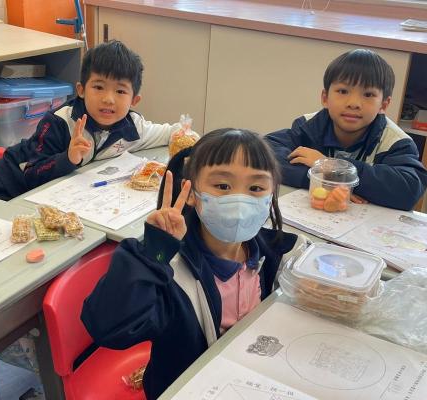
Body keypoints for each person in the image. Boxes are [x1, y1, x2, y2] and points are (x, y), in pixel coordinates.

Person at [81, 129, 307, 399]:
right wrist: (152, 255)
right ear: (191, 192)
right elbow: (110, 329)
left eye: (256, 188)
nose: (240, 201)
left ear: (271, 195)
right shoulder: (171, 271)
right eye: (222, 186)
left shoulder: (279, 255)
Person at [0, 40, 194, 201]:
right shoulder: (59, 123)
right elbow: (30, 174)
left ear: (134, 100)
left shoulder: (133, 128)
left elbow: (173, 133)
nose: (108, 99)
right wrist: (67, 158)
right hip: (5, 188)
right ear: (81, 90)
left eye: (120, 91)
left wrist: (188, 138)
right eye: (98, 87)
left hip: (46, 200)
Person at [265, 49, 427, 211]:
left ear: (383, 105)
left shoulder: (396, 142)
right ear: (325, 98)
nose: (353, 103)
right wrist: (326, 181)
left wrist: (332, 167)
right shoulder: (309, 126)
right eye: (343, 91)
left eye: (368, 94)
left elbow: (409, 190)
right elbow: (265, 153)